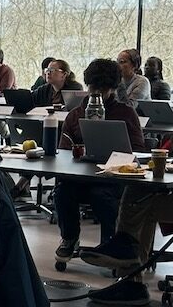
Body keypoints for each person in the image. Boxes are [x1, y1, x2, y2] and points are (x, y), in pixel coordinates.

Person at [53, 59, 146, 265]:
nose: (98, 94)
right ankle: (69, 238)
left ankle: (110, 244)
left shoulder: (125, 113)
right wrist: (78, 152)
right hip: (79, 176)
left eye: (104, 89)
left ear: (113, 88)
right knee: (62, 192)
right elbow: (63, 150)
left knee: (102, 196)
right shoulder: (76, 114)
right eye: (94, 88)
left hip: (112, 178)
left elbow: (139, 150)